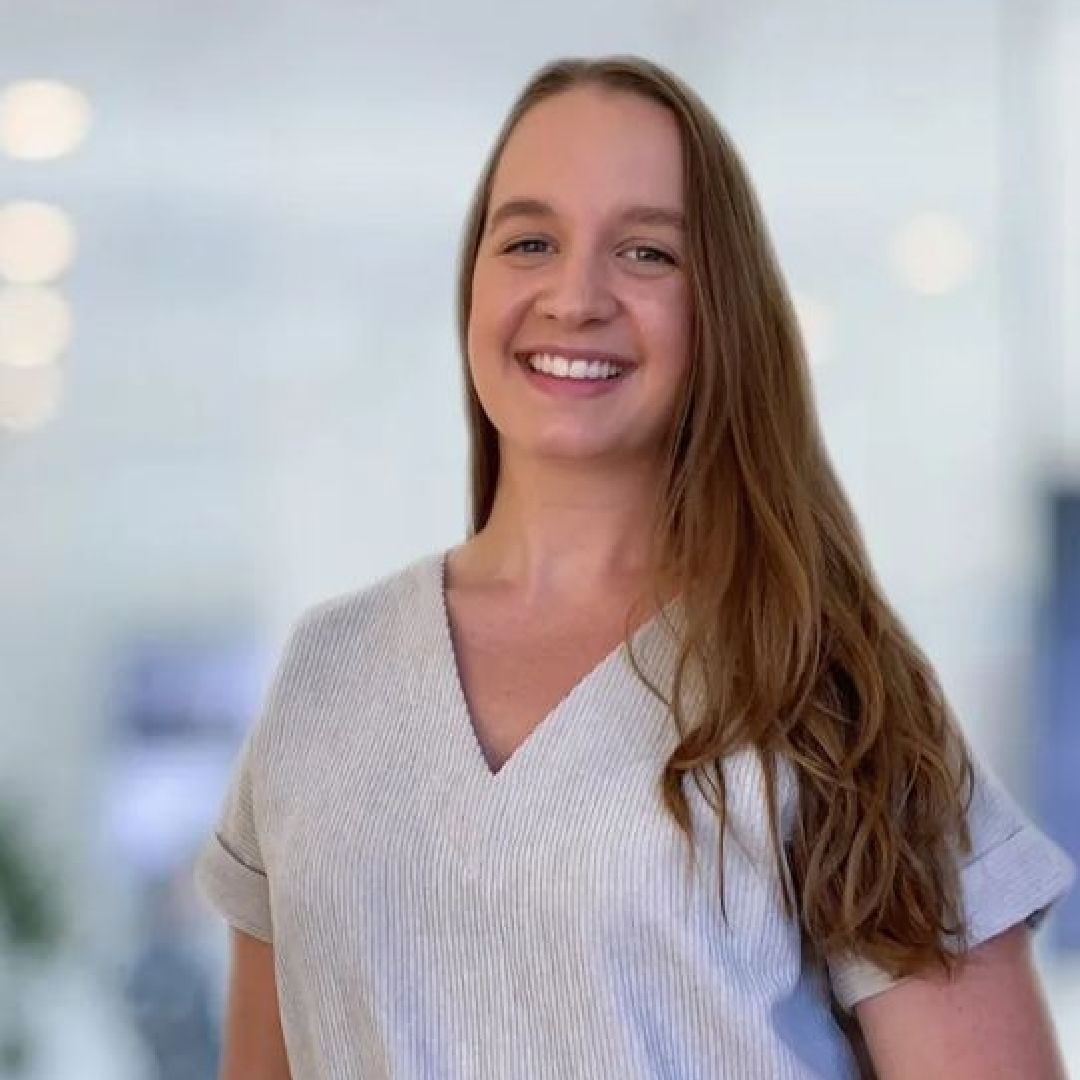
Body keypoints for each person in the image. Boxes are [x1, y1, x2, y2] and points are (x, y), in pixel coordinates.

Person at [194, 54, 1076, 1079]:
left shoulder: (825, 683)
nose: (575, 296)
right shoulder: (328, 674)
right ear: (473, 285)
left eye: (647, 253)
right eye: (530, 241)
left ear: (722, 308)